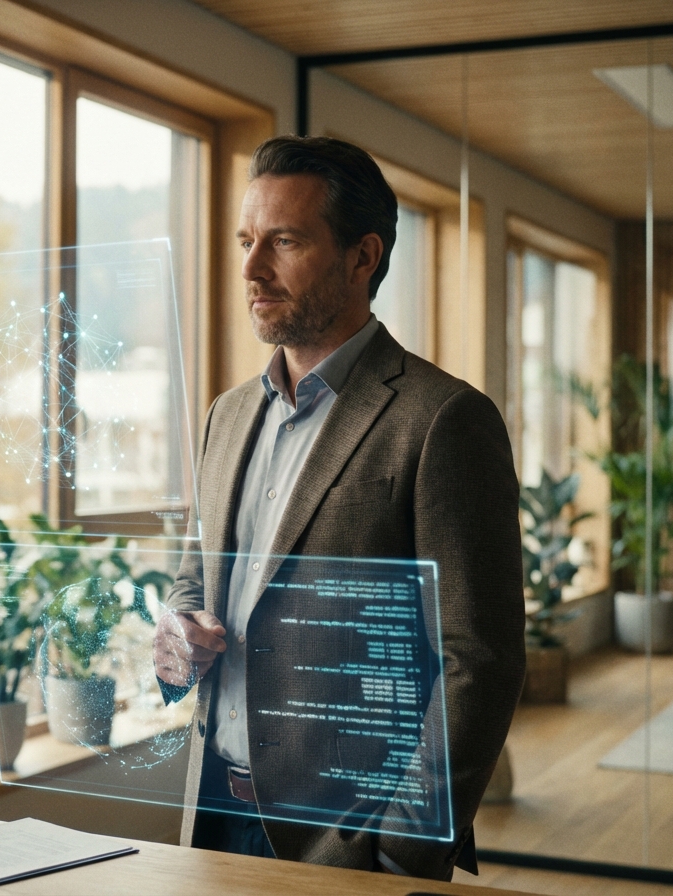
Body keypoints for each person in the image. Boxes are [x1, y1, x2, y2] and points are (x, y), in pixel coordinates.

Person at [153, 135, 524, 881]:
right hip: (212, 814)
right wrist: (178, 632)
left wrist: (397, 853)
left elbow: (477, 662)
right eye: (247, 242)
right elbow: (197, 579)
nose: (252, 269)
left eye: (284, 242)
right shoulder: (228, 414)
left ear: (362, 257)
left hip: (348, 846)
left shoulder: (443, 419)